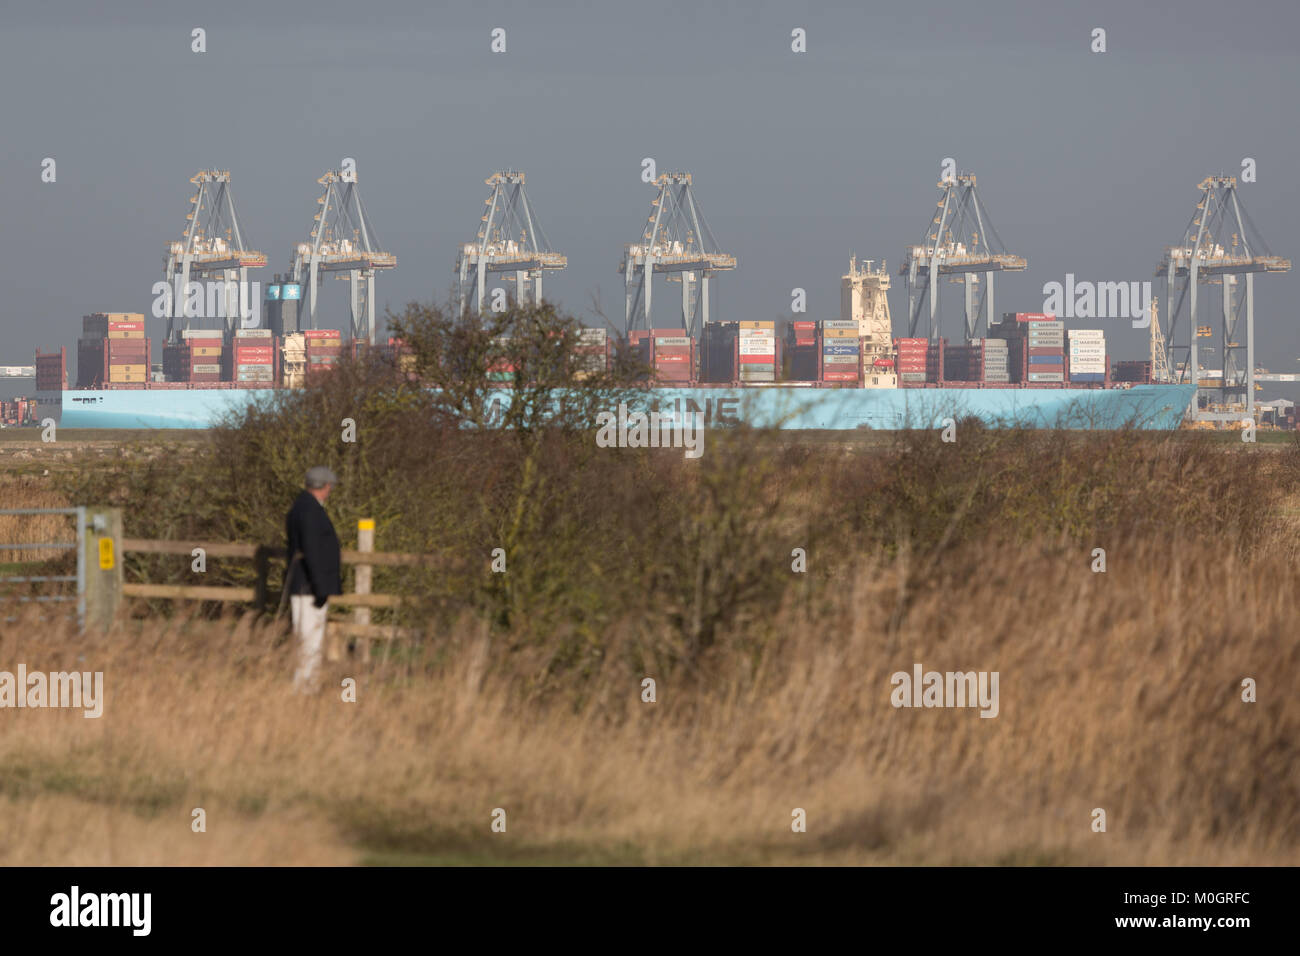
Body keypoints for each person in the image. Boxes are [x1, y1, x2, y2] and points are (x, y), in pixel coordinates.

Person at [285, 466, 342, 691]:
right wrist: (320, 587)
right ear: (325, 486)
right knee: (310, 641)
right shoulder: (310, 510)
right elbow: (312, 550)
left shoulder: (300, 506)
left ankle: (307, 686)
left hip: (306, 585)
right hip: (308, 587)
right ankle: (306, 689)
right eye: (330, 487)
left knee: (308, 640)